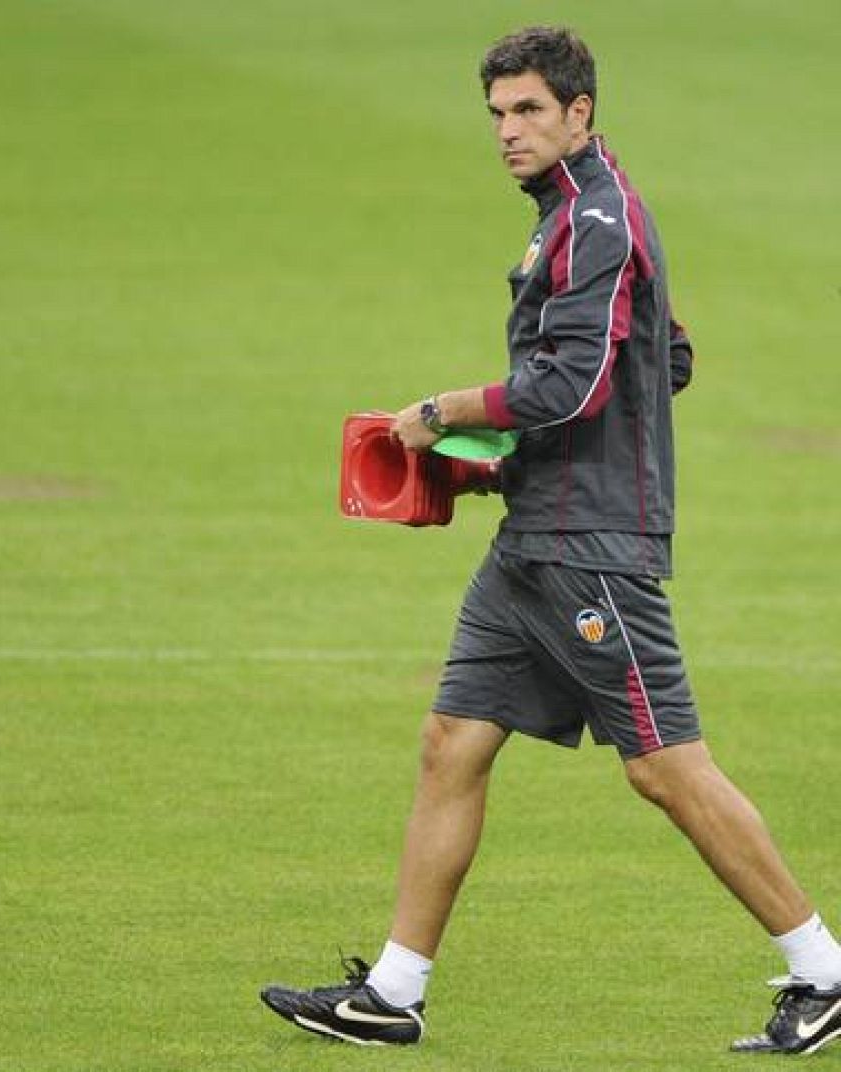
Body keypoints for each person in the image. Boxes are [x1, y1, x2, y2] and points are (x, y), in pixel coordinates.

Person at [260, 25, 841, 1054]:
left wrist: (442, 412)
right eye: (495, 113)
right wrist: (501, 468)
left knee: (664, 766)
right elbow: (666, 360)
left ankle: (825, 969)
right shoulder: (569, 219)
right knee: (452, 742)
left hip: (589, 551)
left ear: (580, 113)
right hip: (537, 535)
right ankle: (394, 993)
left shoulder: (597, 221)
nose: (507, 131)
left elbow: (570, 382)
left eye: (528, 110)